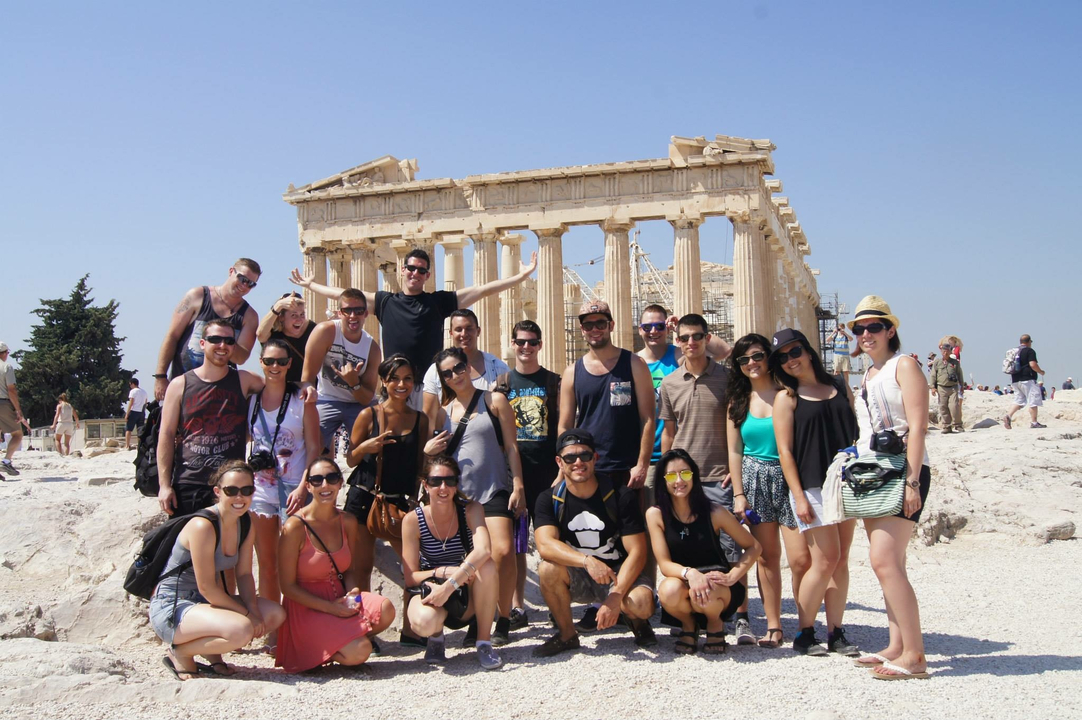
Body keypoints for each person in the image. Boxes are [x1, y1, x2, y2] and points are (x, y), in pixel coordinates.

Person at [291, 247, 537, 404]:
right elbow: (344, 295)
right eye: (411, 268)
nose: (415, 274)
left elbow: (482, 290)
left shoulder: (438, 302)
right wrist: (312, 286)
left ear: (427, 275)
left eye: (421, 270)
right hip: (395, 384)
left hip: (431, 385)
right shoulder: (385, 302)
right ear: (403, 269)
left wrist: (521, 277)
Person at [848, 296, 931, 680]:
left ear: (890, 330)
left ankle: (914, 655)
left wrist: (912, 480)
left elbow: (917, 425)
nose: (866, 334)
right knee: (890, 563)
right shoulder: (868, 375)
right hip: (876, 472)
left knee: (883, 560)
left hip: (905, 471)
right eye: (859, 329)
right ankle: (896, 644)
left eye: (874, 327)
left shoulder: (905, 365)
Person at [658, 313, 754, 644]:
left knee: (729, 550)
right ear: (677, 341)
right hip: (683, 479)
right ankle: (690, 615)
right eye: (684, 337)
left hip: (718, 476)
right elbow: (668, 435)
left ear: (706, 337)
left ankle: (738, 616)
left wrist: (735, 469)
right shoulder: (670, 383)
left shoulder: (727, 378)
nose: (691, 343)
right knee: (687, 548)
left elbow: (737, 428)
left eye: (697, 336)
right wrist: (664, 477)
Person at [424, 347, 525, 645]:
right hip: (460, 495)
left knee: (503, 552)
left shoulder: (494, 400)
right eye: (447, 373)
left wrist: (518, 483)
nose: (454, 375)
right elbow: (437, 457)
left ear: (468, 367)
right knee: (472, 559)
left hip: (494, 488)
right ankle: (479, 618)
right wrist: (427, 452)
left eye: (458, 368)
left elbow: (511, 446)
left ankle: (504, 617)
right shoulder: (444, 413)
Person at [150, 461, 286, 681]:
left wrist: (253, 609)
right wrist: (247, 615)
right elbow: (207, 587)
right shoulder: (203, 525)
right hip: (173, 605)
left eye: (247, 490)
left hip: (205, 604)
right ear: (217, 492)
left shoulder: (245, 522)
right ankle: (181, 652)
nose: (239, 497)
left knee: (274, 614)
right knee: (241, 629)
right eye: (231, 491)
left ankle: (212, 656)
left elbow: (243, 574)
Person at [771, 328, 861, 657]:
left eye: (794, 352)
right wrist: (798, 496)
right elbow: (785, 452)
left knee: (840, 561)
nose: (790, 360)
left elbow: (853, 431)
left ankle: (836, 631)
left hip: (847, 483)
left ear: (808, 351)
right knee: (824, 561)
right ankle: (805, 632)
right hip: (812, 486)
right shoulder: (787, 397)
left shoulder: (838, 385)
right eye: (782, 357)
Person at [532, 429, 656, 657]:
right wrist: (586, 561)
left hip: (617, 572)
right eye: (570, 457)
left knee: (641, 603)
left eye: (585, 456)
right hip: (579, 572)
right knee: (547, 568)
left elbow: (638, 552)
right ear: (560, 462)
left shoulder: (620, 495)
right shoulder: (548, 499)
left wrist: (615, 595)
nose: (578, 462)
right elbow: (545, 545)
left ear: (595, 458)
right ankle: (567, 635)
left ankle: (637, 623)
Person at [726, 333, 810, 649]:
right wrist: (738, 493)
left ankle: (806, 623)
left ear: (769, 357)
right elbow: (734, 450)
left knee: (801, 559)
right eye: (744, 359)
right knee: (767, 556)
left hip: (789, 479)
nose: (751, 363)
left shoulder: (789, 394)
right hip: (754, 479)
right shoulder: (737, 402)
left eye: (757, 356)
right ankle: (774, 625)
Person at [276, 457, 394, 673]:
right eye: (317, 480)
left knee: (385, 609)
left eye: (331, 478)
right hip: (307, 606)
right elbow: (287, 587)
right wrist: (332, 609)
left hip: (339, 599)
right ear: (308, 486)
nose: (325, 485)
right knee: (360, 650)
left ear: (340, 482)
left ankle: (330, 646)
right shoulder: (294, 526)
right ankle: (321, 650)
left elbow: (348, 570)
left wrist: (353, 594)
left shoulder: (347, 521)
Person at [343, 353, 430, 647]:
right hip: (364, 498)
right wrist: (365, 447)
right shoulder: (370, 415)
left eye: (407, 378)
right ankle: (362, 631)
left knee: (412, 568)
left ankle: (412, 629)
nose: (401, 384)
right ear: (384, 381)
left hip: (399, 503)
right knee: (360, 569)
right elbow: (351, 458)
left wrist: (419, 501)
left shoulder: (420, 420)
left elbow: (419, 465)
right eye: (394, 378)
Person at [647, 449, 761, 654]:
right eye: (672, 475)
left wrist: (734, 575)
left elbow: (754, 546)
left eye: (686, 473)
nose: (679, 480)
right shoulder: (655, 515)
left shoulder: (714, 511)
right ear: (663, 480)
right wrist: (691, 573)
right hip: (683, 579)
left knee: (708, 588)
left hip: (717, 584)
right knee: (667, 590)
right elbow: (664, 564)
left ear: (695, 476)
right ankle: (688, 625)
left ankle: (714, 622)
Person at [401, 455, 503, 669]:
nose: (443, 487)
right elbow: (410, 577)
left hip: (465, 592)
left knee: (488, 565)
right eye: (436, 481)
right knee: (423, 622)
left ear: (457, 484)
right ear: (425, 485)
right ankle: (436, 638)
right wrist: (442, 572)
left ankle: (484, 642)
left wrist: (451, 584)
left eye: (450, 481)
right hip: (432, 591)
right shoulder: (413, 520)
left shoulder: (471, 510)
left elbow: (484, 549)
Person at [492, 319, 561, 631]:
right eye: (520, 342)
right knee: (519, 544)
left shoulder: (554, 381)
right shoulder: (503, 384)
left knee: (553, 541)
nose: (526, 347)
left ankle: (556, 602)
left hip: (549, 474)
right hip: (515, 476)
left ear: (540, 345)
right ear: (513, 344)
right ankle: (518, 605)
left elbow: (563, 424)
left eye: (532, 342)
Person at [157, 320, 265, 517]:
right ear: (202, 343)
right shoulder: (180, 384)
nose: (222, 346)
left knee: (230, 546)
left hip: (232, 486)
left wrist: (304, 387)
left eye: (229, 340)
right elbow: (166, 435)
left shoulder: (245, 380)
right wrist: (164, 485)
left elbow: (279, 388)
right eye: (215, 339)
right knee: (187, 545)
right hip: (189, 482)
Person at [247, 339, 319, 605]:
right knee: (266, 563)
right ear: (261, 363)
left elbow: (314, 446)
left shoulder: (302, 400)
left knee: (297, 563)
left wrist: (303, 486)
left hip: (294, 489)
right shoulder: (252, 400)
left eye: (280, 361)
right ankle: (272, 626)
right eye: (269, 361)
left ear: (290, 364)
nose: (274, 366)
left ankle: (296, 625)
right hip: (260, 491)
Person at [559, 299, 655, 491]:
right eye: (589, 325)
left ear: (611, 325)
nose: (595, 329)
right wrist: (564, 469)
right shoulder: (572, 372)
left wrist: (642, 465)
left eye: (600, 323)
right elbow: (565, 425)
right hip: (587, 468)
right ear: (582, 329)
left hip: (627, 469)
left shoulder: (635, 364)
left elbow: (648, 418)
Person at [637, 304, 730, 498]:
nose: (653, 331)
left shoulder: (678, 355)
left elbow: (723, 351)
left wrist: (683, 327)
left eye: (660, 326)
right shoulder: (634, 362)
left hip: (680, 455)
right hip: (643, 455)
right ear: (640, 330)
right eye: (647, 327)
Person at [153, 258, 261, 401]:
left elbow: (241, 358)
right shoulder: (197, 296)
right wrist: (161, 376)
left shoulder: (249, 316)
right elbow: (172, 336)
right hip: (183, 386)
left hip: (220, 393)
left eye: (251, 284)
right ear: (231, 272)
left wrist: (224, 341)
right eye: (242, 278)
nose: (244, 285)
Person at [301, 288, 381, 454]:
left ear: (366, 314)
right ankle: (319, 476)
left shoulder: (372, 349)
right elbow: (307, 378)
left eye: (358, 311)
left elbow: (367, 397)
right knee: (310, 442)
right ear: (339, 313)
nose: (353, 316)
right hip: (327, 399)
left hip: (358, 403)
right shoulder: (325, 332)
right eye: (347, 311)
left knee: (372, 448)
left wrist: (354, 382)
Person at [421, 308, 509, 423]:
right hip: (449, 438)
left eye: (469, 328)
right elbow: (428, 416)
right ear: (451, 333)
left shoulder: (499, 369)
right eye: (458, 329)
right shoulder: (435, 372)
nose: (464, 334)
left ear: (478, 331)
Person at [257, 292, 316, 384]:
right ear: (281, 317)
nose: (299, 320)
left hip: (311, 389)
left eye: (302, 314)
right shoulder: (274, 335)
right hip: (284, 390)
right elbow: (260, 335)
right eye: (294, 315)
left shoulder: (313, 329)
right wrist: (278, 305)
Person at [1003, 334, 1047, 430]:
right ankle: (1034, 422)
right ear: (1029, 341)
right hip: (1028, 379)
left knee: (1019, 400)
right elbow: (1032, 364)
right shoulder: (1029, 351)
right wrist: (1041, 371)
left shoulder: (1014, 351)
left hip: (1015, 379)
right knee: (1033, 401)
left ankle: (1008, 416)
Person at [929, 339, 965, 433]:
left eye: (947, 351)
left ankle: (958, 425)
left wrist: (962, 386)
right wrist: (933, 387)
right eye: (943, 351)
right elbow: (933, 375)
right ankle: (947, 426)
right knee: (943, 407)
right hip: (941, 387)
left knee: (954, 406)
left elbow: (959, 374)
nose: (945, 352)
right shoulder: (937, 362)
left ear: (950, 352)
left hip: (953, 387)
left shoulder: (955, 362)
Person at [0, 342, 25, 477]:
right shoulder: (6, 367)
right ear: (4, 353)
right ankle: (6, 461)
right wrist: (18, 409)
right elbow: (11, 390)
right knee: (17, 434)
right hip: (3, 403)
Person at [125, 379, 149, 450]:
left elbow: (131, 402)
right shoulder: (144, 392)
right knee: (140, 430)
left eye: (130, 384)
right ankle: (140, 445)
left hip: (134, 411)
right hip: (141, 412)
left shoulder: (133, 391)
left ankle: (127, 445)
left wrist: (127, 413)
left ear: (133, 384)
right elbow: (145, 403)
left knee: (129, 429)